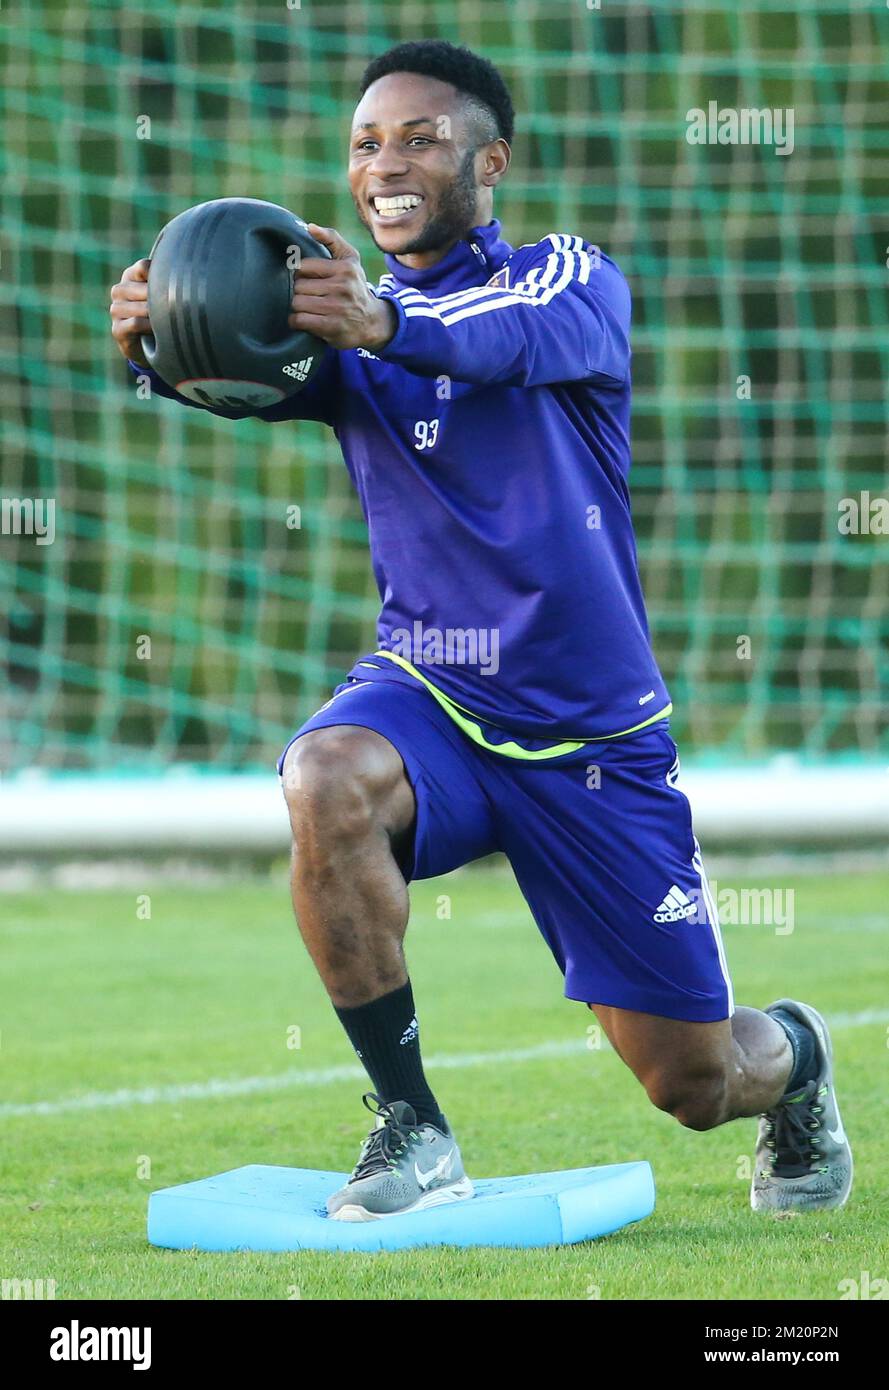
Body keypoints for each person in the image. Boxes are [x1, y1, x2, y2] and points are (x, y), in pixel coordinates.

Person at [110, 39, 852, 1222]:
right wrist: (160, 338)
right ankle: (410, 1125)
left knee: (695, 1080)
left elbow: (492, 335)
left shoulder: (569, 280)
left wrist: (379, 320)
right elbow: (245, 370)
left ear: (488, 159)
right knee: (325, 775)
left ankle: (799, 1059)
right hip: (430, 690)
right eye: (364, 142)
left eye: (420, 136)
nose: (385, 162)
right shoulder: (354, 327)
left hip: (587, 738)